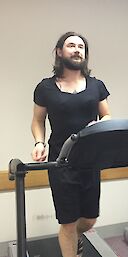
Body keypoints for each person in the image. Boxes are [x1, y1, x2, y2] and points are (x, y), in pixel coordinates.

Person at [31, 31, 111, 257]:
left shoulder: (96, 86)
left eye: (81, 47)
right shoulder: (45, 87)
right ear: (59, 52)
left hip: (90, 159)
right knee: (67, 222)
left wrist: (102, 127)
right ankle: (70, 242)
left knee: (89, 219)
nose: (77, 49)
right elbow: (37, 121)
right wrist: (39, 142)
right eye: (71, 45)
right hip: (61, 161)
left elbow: (106, 116)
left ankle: (72, 235)